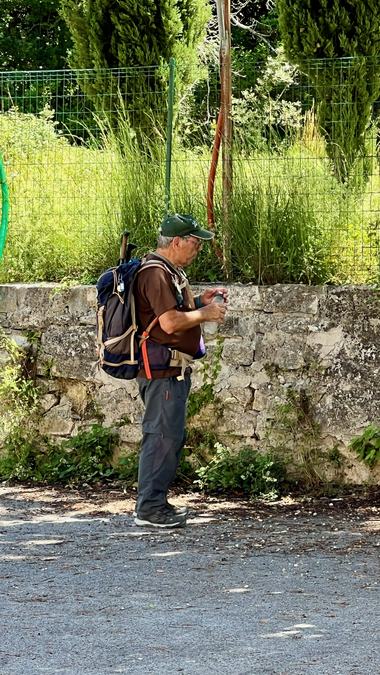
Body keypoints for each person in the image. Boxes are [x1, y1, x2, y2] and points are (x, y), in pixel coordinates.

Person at [133, 213, 227, 528]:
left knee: (168, 435)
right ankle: (149, 509)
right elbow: (170, 322)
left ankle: (155, 504)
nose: (197, 250)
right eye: (195, 244)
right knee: (161, 436)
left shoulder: (167, 272)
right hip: (162, 371)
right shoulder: (156, 274)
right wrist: (205, 313)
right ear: (176, 242)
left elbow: (170, 311)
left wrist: (200, 300)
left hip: (171, 369)